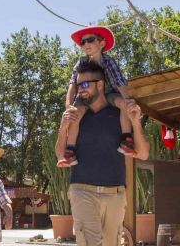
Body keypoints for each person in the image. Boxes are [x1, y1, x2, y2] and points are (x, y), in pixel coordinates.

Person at [55, 59, 150, 246]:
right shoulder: (77, 115)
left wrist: (136, 123)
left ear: (100, 85)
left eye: (85, 84)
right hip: (82, 188)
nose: (80, 89)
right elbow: (61, 154)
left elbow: (142, 153)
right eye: (78, 84)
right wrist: (63, 126)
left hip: (115, 192)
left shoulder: (117, 113)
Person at [57, 26, 136, 167]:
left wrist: (127, 100)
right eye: (83, 42)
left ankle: (126, 139)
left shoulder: (108, 61)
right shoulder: (81, 63)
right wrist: (68, 105)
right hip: (86, 95)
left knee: (124, 104)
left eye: (90, 40)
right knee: (74, 113)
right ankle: (70, 149)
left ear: (102, 43)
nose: (86, 44)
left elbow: (119, 81)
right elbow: (73, 84)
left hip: (108, 93)